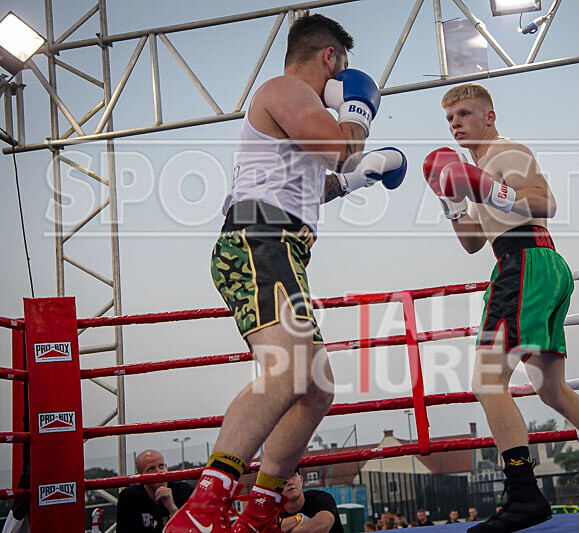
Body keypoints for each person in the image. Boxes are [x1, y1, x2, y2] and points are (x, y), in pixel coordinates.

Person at [167, 13, 405, 533]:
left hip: (280, 243)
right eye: (342, 69)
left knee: (316, 388)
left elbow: (312, 184)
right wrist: (359, 113)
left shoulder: (295, 110)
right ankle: (203, 509)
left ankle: (260, 509)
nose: (341, 82)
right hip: (259, 241)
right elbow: (341, 150)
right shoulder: (285, 89)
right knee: (291, 369)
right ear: (330, 59)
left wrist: (354, 181)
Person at [422, 82, 579, 533]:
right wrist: (450, 199)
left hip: (525, 263)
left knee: (487, 381)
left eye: (466, 115)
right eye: (450, 119)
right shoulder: (476, 169)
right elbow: (473, 243)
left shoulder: (506, 151)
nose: (456, 124)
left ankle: (525, 495)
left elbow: (546, 202)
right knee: (552, 390)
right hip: (532, 263)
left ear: (489, 117)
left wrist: (484, 186)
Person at [116, 450, 193, 532]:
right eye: (151, 469)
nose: (159, 472)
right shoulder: (129, 498)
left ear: (166, 467)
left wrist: (172, 508)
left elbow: (191, 530)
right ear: (140, 476)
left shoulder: (183, 491)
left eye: (161, 466)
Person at [278, 470, 344, 533]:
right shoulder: (274, 509)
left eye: (293, 476)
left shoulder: (321, 498)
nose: (290, 482)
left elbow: (321, 527)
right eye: (283, 479)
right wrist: (299, 518)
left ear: (301, 480)